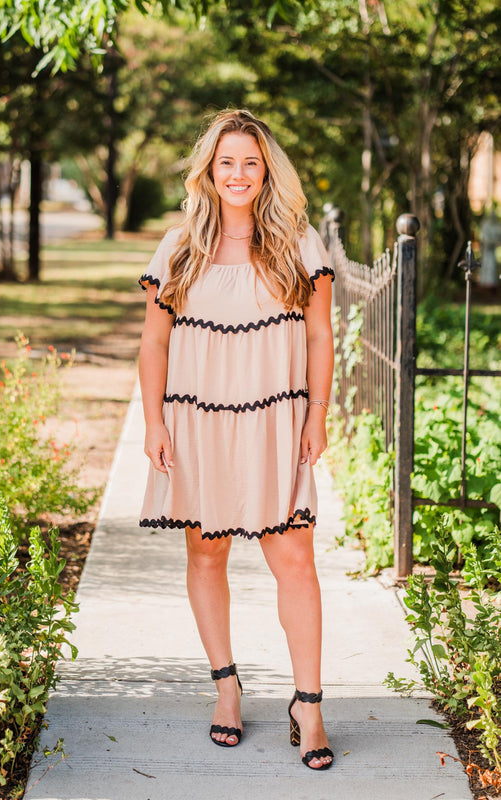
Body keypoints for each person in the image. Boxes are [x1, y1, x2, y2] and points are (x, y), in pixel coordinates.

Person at [137, 109, 335, 771]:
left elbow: (317, 337)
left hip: (277, 419)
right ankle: (226, 689)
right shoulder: (178, 247)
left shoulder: (297, 243)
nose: (238, 174)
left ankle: (307, 705)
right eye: (227, 162)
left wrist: (317, 415)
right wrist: (155, 422)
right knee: (206, 556)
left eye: (250, 162)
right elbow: (154, 342)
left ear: (266, 170)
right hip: (199, 421)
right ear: (209, 171)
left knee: (295, 560)